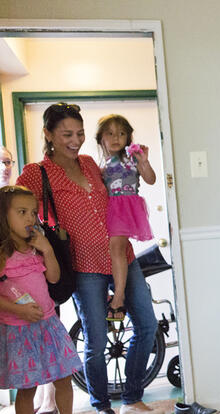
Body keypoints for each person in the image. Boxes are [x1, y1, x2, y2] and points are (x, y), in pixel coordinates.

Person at [16, 103, 161, 414]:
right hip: (84, 266)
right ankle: (101, 404)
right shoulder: (36, 172)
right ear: (48, 134)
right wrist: (34, 244)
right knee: (95, 342)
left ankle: (133, 396)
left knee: (147, 326)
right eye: (67, 134)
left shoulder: (91, 164)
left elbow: (124, 192)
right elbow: (13, 211)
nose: (75, 140)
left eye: (80, 133)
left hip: (122, 255)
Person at [0, 185, 82, 414]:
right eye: (21, 212)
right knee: (28, 388)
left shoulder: (35, 247)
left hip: (48, 324)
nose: (30, 218)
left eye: (33, 212)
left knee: (64, 378)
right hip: (19, 330)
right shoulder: (3, 254)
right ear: (3, 216)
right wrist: (20, 312)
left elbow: (54, 278)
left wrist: (47, 250)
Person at [95, 114, 155, 321]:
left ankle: (118, 297)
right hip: (110, 209)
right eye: (110, 133)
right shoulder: (101, 164)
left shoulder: (132, 157)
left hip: (127, 207)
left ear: (128, 137)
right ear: (101, 138)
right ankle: (115, 295)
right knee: (114, 249)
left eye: (121, 133)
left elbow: (151, 179)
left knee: (117, 248)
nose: (116, 138)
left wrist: (144, 163)